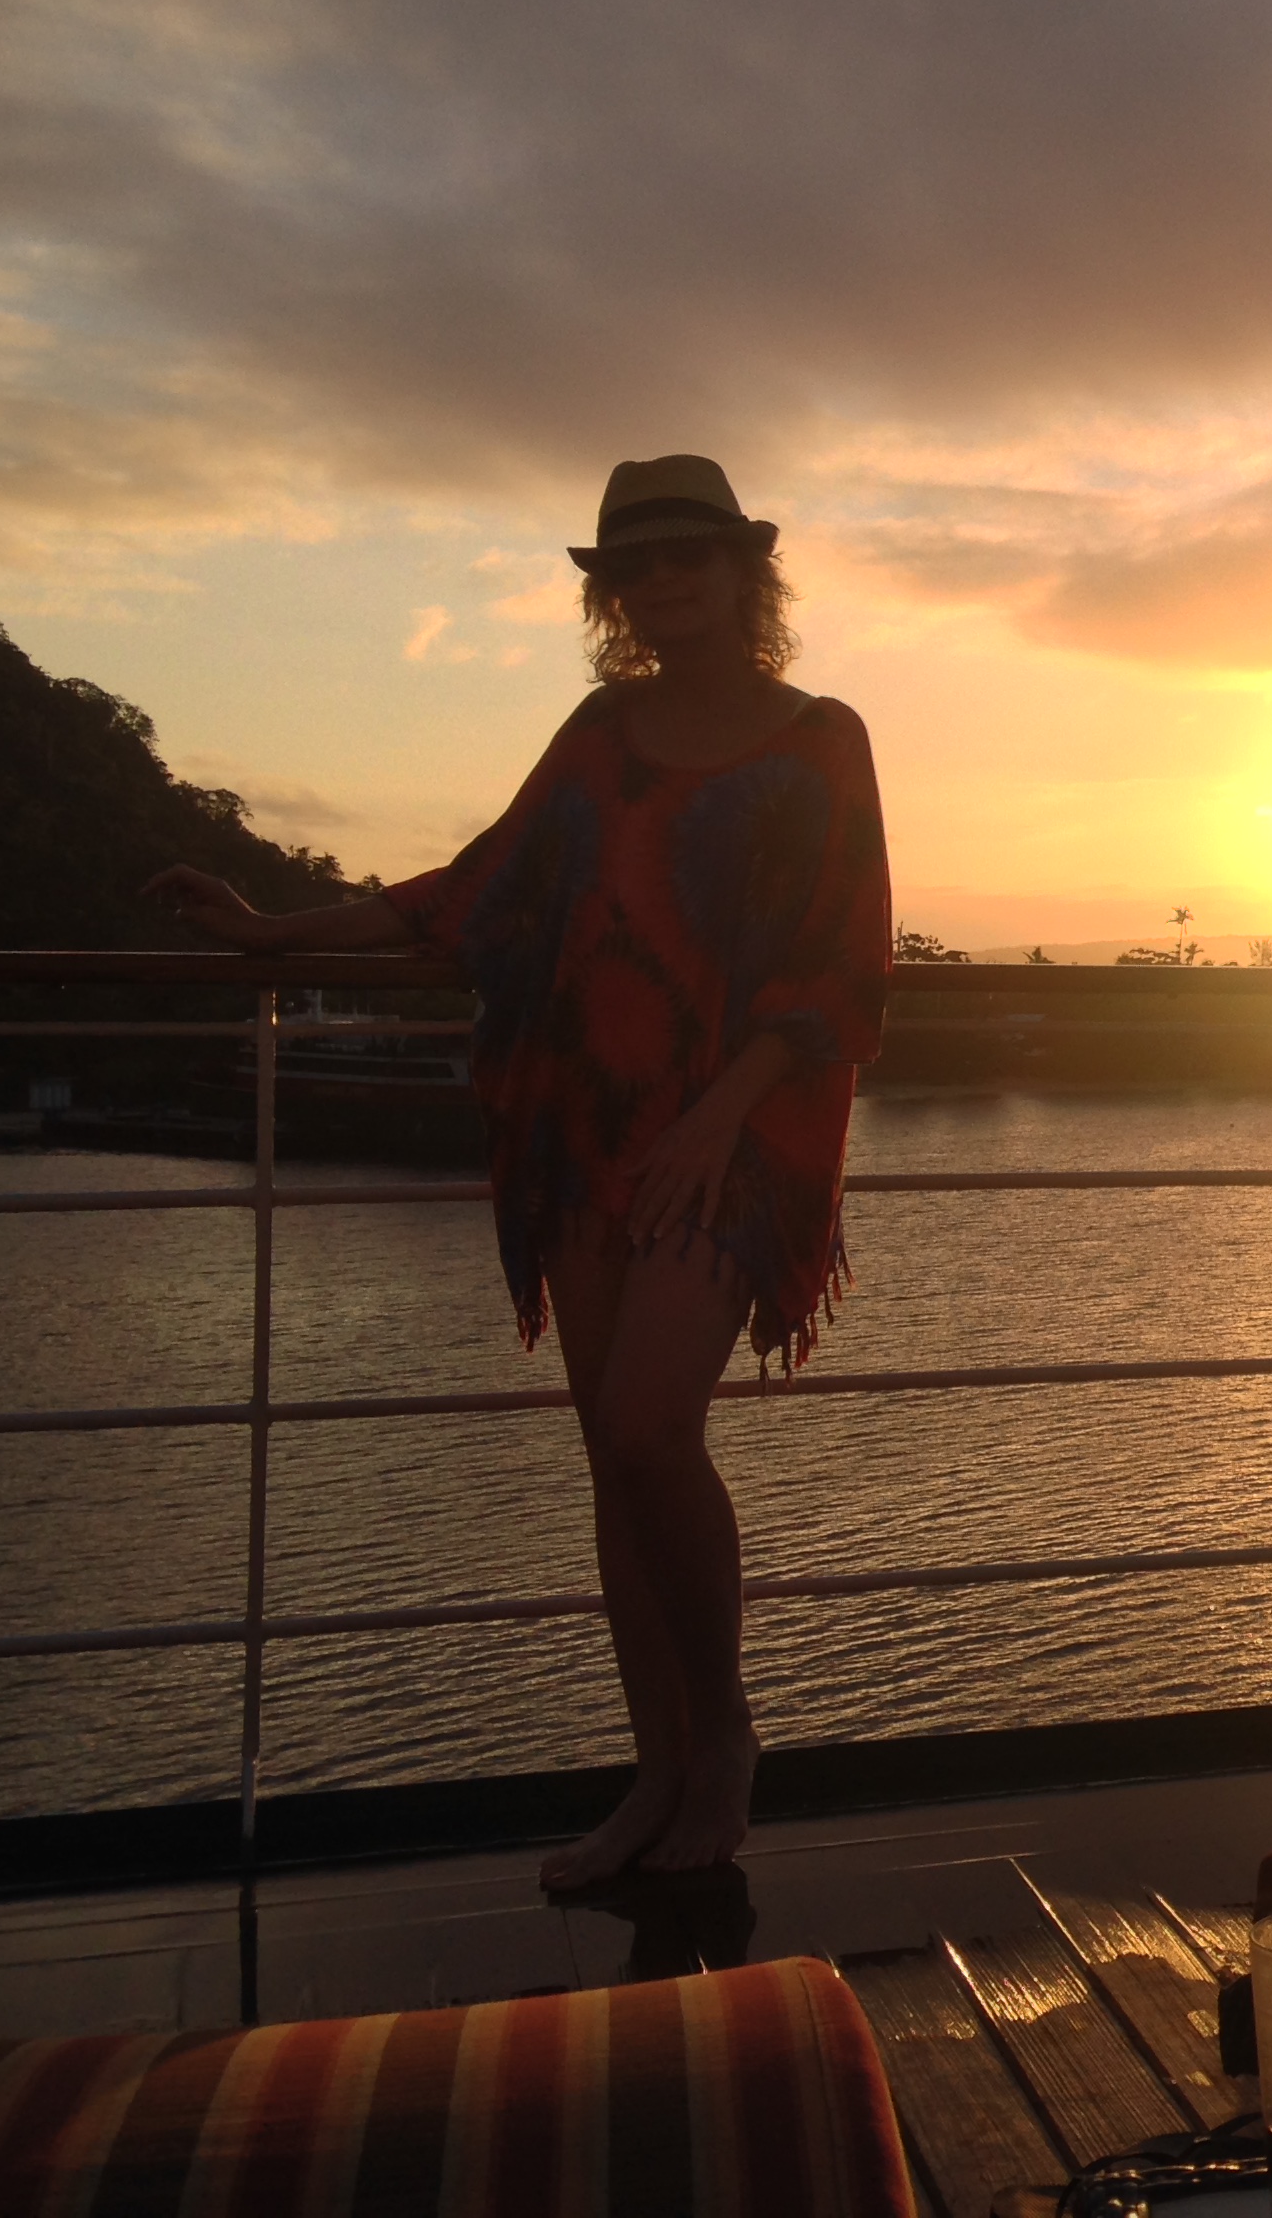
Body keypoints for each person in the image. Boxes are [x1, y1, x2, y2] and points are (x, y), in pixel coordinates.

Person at [148, 456, 891, 1888]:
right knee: (614, 1457)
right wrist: (269, 935)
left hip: (735, 1130)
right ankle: (655, 1773)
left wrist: (720, 1114)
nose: (663, 584)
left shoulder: (821, 739)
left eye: (689, 558)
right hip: (585, 1119)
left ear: (746, 573)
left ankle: (725, 1735)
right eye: (636, 568)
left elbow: (842, 958)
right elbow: (479, 889)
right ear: (615, 597)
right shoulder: (601, 736)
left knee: (652, 1427)